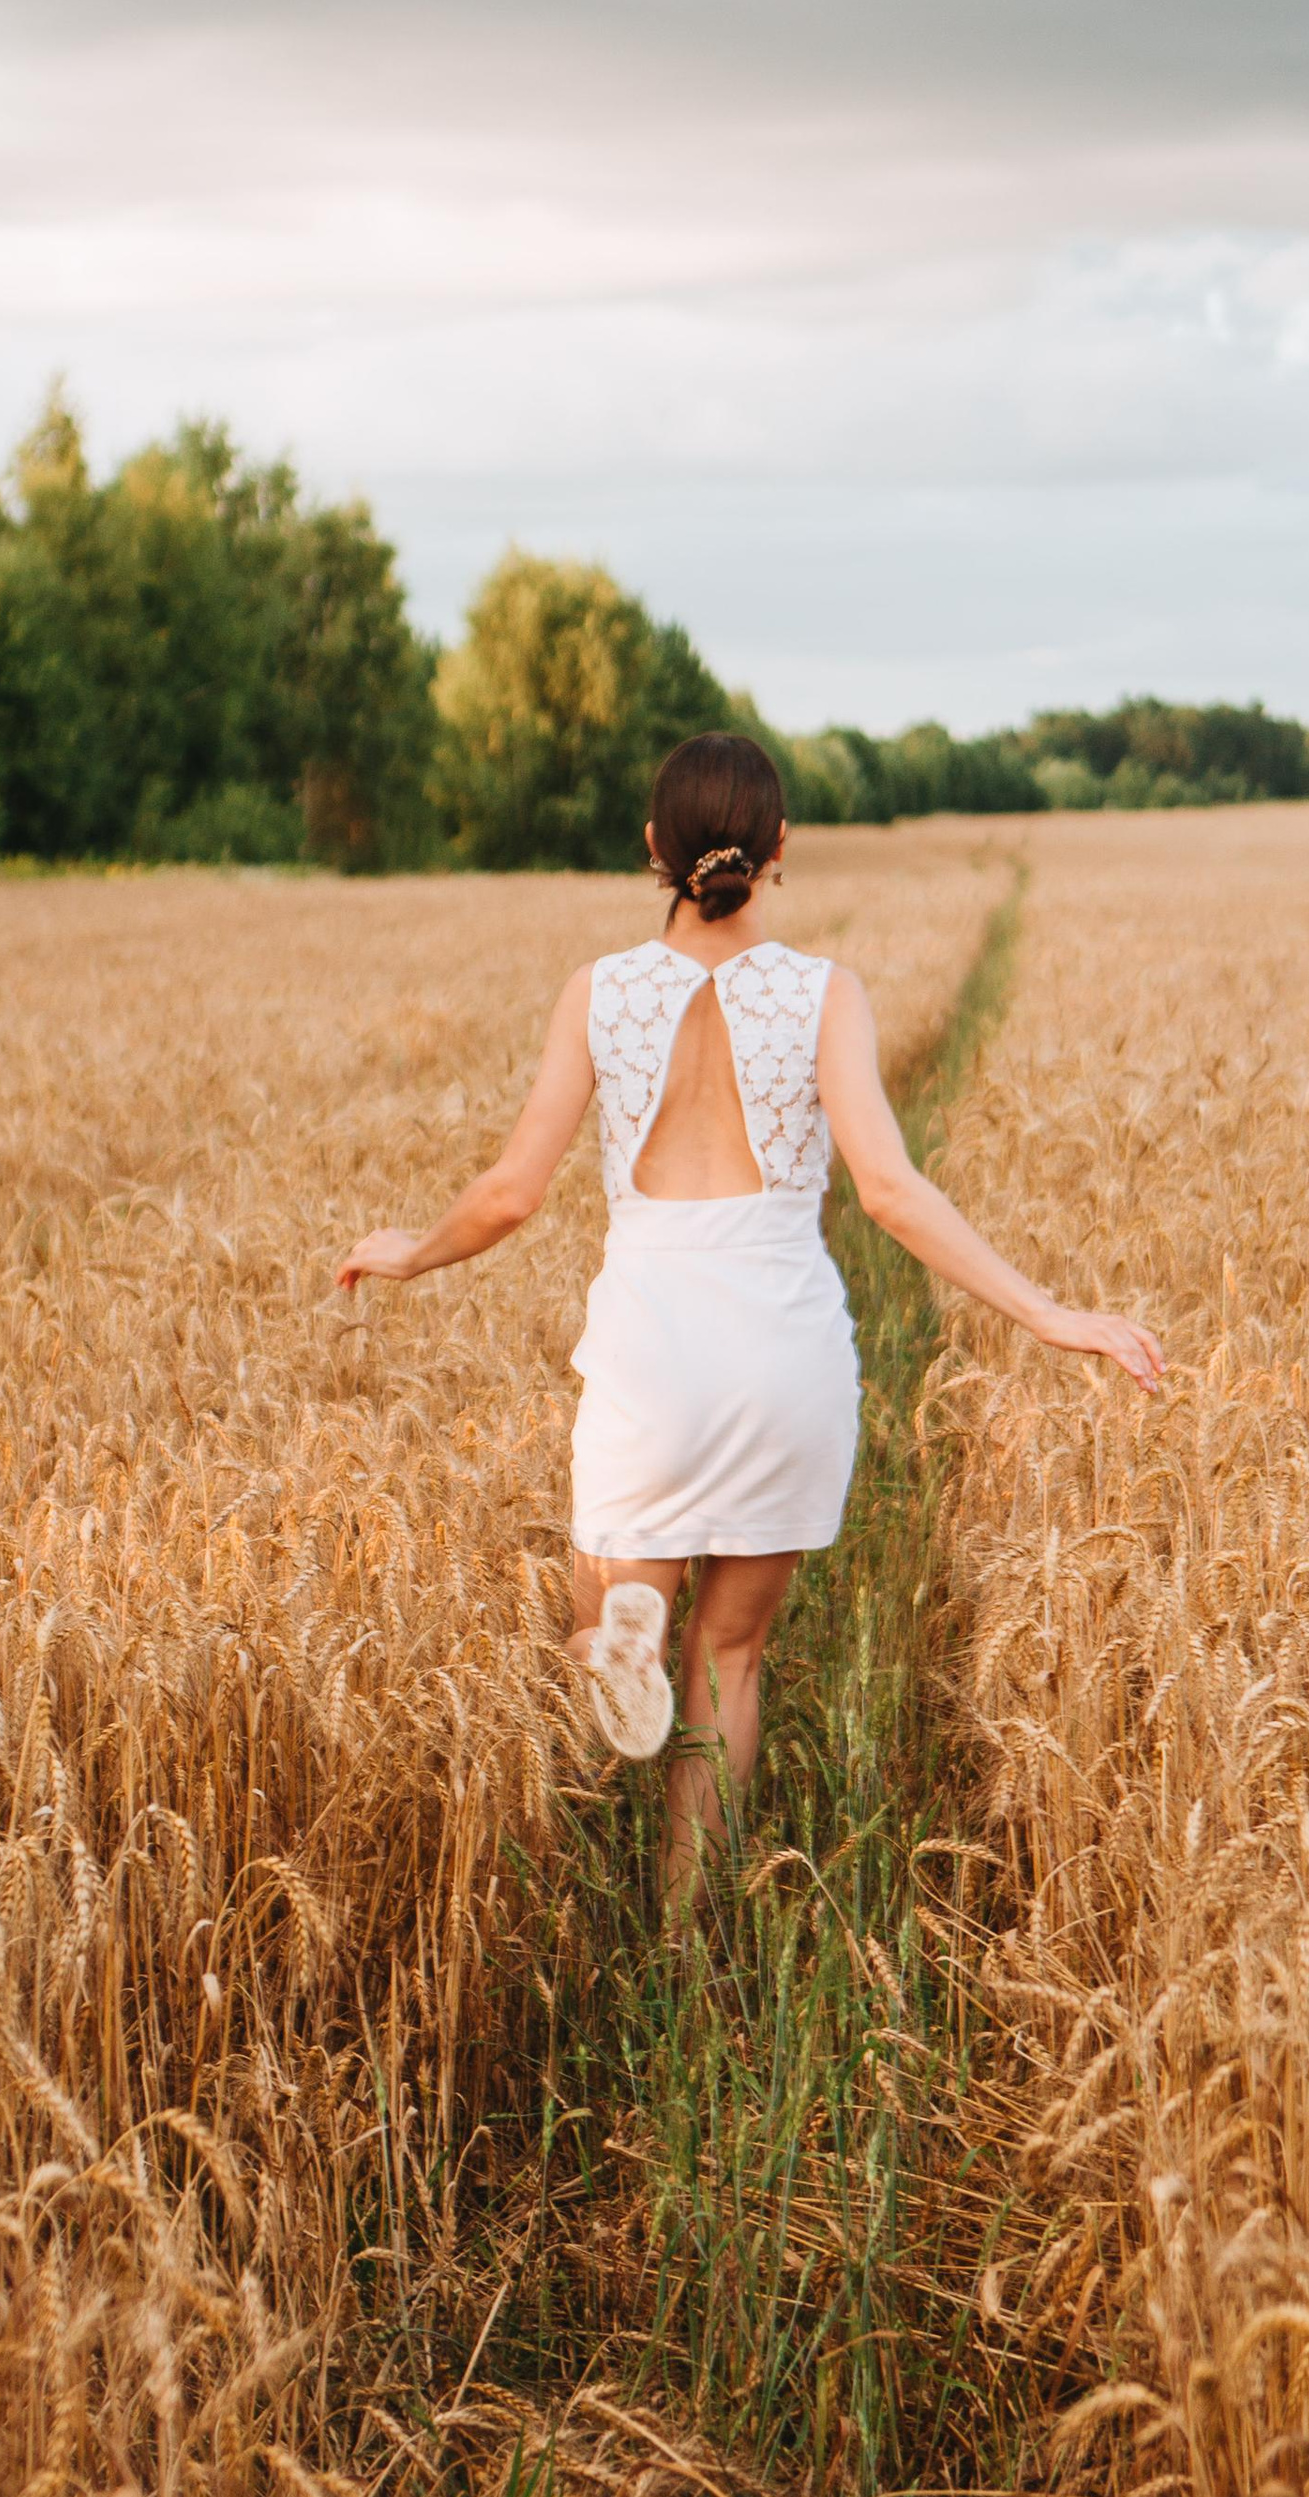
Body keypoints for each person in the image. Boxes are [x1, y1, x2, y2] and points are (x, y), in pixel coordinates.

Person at [336, 732, 1162, 1896]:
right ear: (780, 847)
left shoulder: (599, 994)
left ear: (652, 848)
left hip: (652, 1352)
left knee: (604, 1618)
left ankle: (615, 1640)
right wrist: (1048, 1312)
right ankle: (686, 1937)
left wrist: (412, 1254)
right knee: (729, 1658)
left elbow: (512, 1192)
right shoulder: (824, 995)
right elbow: (888, 1190)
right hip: (784, 1357)